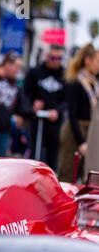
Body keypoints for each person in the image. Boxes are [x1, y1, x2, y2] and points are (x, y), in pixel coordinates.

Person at [58, 44, 99, 182]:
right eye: (97, 61)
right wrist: (81, 141)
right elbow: (72, 114)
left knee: (89, 174)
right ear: (88, 60)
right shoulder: (74, 80)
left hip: (91, 130)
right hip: (75, 130)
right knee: (68, 172)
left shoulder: (94, 82)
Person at [24, 45, 66, 170]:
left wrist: (57, 111)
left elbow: (67, 99)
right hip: (37, 119)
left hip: (55, 121)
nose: (56, 61)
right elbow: (26, 93)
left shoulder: (64, 74)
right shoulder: (35, 72)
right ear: (47, 57)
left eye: (59, 58)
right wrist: (33, 104)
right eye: (53, 58)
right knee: (35, 152)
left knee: (53, 153)